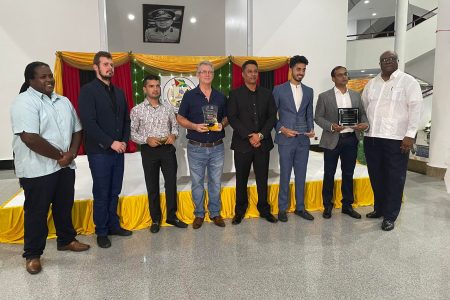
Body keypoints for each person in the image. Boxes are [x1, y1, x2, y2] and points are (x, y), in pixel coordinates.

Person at [10, 62, 90, 275]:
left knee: (64, 206)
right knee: (37, 212)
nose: (49, 80)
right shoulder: (23, 102)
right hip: (37, 169)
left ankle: (66, 240)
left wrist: (70, 154)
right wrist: (59, 156)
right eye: (43, 77)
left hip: (64, 166)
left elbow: (77, 130)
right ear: (31, 80)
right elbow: (30, 138)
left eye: (50, 76)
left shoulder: (63, 101)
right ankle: (33, 255)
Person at [362, 50, 422, 231]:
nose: (387, 62)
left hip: (397, 139)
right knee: (376, 176)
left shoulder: (408, 82)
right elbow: (365, 106)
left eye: (390, 59)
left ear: (397, 61)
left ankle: (390, 216)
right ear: (379, 63)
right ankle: (379, 209)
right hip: (372, 137)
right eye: (383, 60)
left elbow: (416, 108)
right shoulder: (371, 84)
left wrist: (410, 135)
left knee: (394, 178)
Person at [78, 51, 132, 248]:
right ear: (96, 67)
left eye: (111, 64)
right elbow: (89, 123)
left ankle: (113, 225)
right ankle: (101, 231)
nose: (110, 67)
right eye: (105, 64)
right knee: (101, 192)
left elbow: (126, 119)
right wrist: (111, 143)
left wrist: (124, 141)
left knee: (115, 191)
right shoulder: (88, 90)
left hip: (119, 150)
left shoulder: (119, 92)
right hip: (100, 151)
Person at [130, 75, 187, 233]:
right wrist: (146, 139)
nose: (155, 89)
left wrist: (173, 135)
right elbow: (132, 134)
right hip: (149, 151)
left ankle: (172, 216)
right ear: (144, 89)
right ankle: (155, 219)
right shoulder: (137, 110)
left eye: (157, 85)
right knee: (152, 185)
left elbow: (175, 127)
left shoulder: (168, 108)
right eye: (151, 86)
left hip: (167, 149)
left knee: (171, 183)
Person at [176, 61, 228, 229]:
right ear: (197, 74)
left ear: (213, 75)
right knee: (197, 182)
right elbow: (180, 118)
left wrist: (222, 124)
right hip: (196, 147)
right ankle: (199, 214)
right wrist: (194, 126)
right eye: (203, 72)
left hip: (217, 147)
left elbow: (227, 117)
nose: (207, 74)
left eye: (210, 72)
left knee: (215, 181)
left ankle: (215, 213)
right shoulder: (189, 96)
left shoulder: (220, 96)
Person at [314, 66, 369, 219]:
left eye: (345, 74)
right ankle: (327, 205)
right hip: (332, 139)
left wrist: (364, 124)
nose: (344, 77)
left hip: (351, 139)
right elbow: (318, 117)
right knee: (329, 174)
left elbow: (363, 115)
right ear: (333, 78)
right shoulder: (324, 96)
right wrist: (331, 126)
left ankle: (347, 206)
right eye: (340, 75)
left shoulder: (356, 95)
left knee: (348, 173)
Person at [227, 60, 278, 224]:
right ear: (243, 74)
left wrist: (261, 135)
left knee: (262, 179)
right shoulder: (235, 94)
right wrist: (250, 136)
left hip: (263, 144)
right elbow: (233, 118)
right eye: (249, 71)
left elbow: (272, 117)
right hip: (242, 145)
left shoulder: (267, 93)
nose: (253, 74)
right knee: (241, 180)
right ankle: (239, 211)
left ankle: (264, 209)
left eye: (255, 71)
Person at [273, 55, 315, 222]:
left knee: (301, 174)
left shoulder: (309, 91)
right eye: (298, 69)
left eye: (304, 70)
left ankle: (300, 207)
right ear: (291, 69)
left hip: (303, 140)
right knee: (284, 174)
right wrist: (281, 129)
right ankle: (282, 209)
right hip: (285, 140)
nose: (301, 72)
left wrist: (311, 128)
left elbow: (309, 114)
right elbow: (271, 115)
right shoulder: (279, 89)